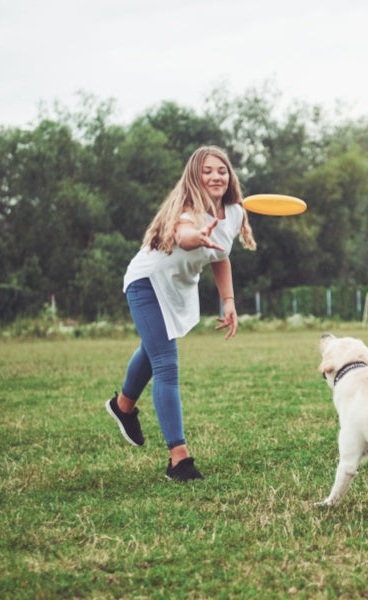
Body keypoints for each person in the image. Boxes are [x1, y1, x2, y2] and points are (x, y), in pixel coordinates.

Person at [105, 145, 256, 481]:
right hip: (147, 283)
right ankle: (179, 460)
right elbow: (183, 234)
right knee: (165, 362)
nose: (216, 176)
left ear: (230, 176)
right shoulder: (188, 209)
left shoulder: (233, 212)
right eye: (207, 171)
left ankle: (123, 407)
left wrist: (229, 301)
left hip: (177, 288)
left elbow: (222, 257)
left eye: (222, 170)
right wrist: (196, 237)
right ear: (194, 177)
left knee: (153, 348)